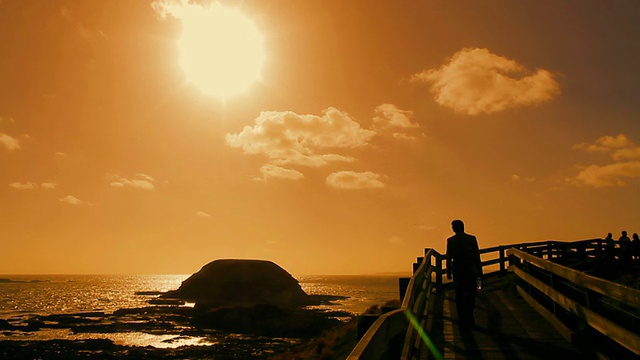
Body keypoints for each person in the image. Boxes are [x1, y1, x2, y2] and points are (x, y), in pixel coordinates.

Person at [446, 219, 482, 328]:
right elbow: (477, 256)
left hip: (458, 271)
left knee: (459, 294)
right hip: (471, 270)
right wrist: (480, 271)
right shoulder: (471, 239)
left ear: (454, 228)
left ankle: (461, 318)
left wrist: (448, 271)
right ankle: (470, 317)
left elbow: (449, 257)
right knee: (471, 294)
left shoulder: (451, 240)